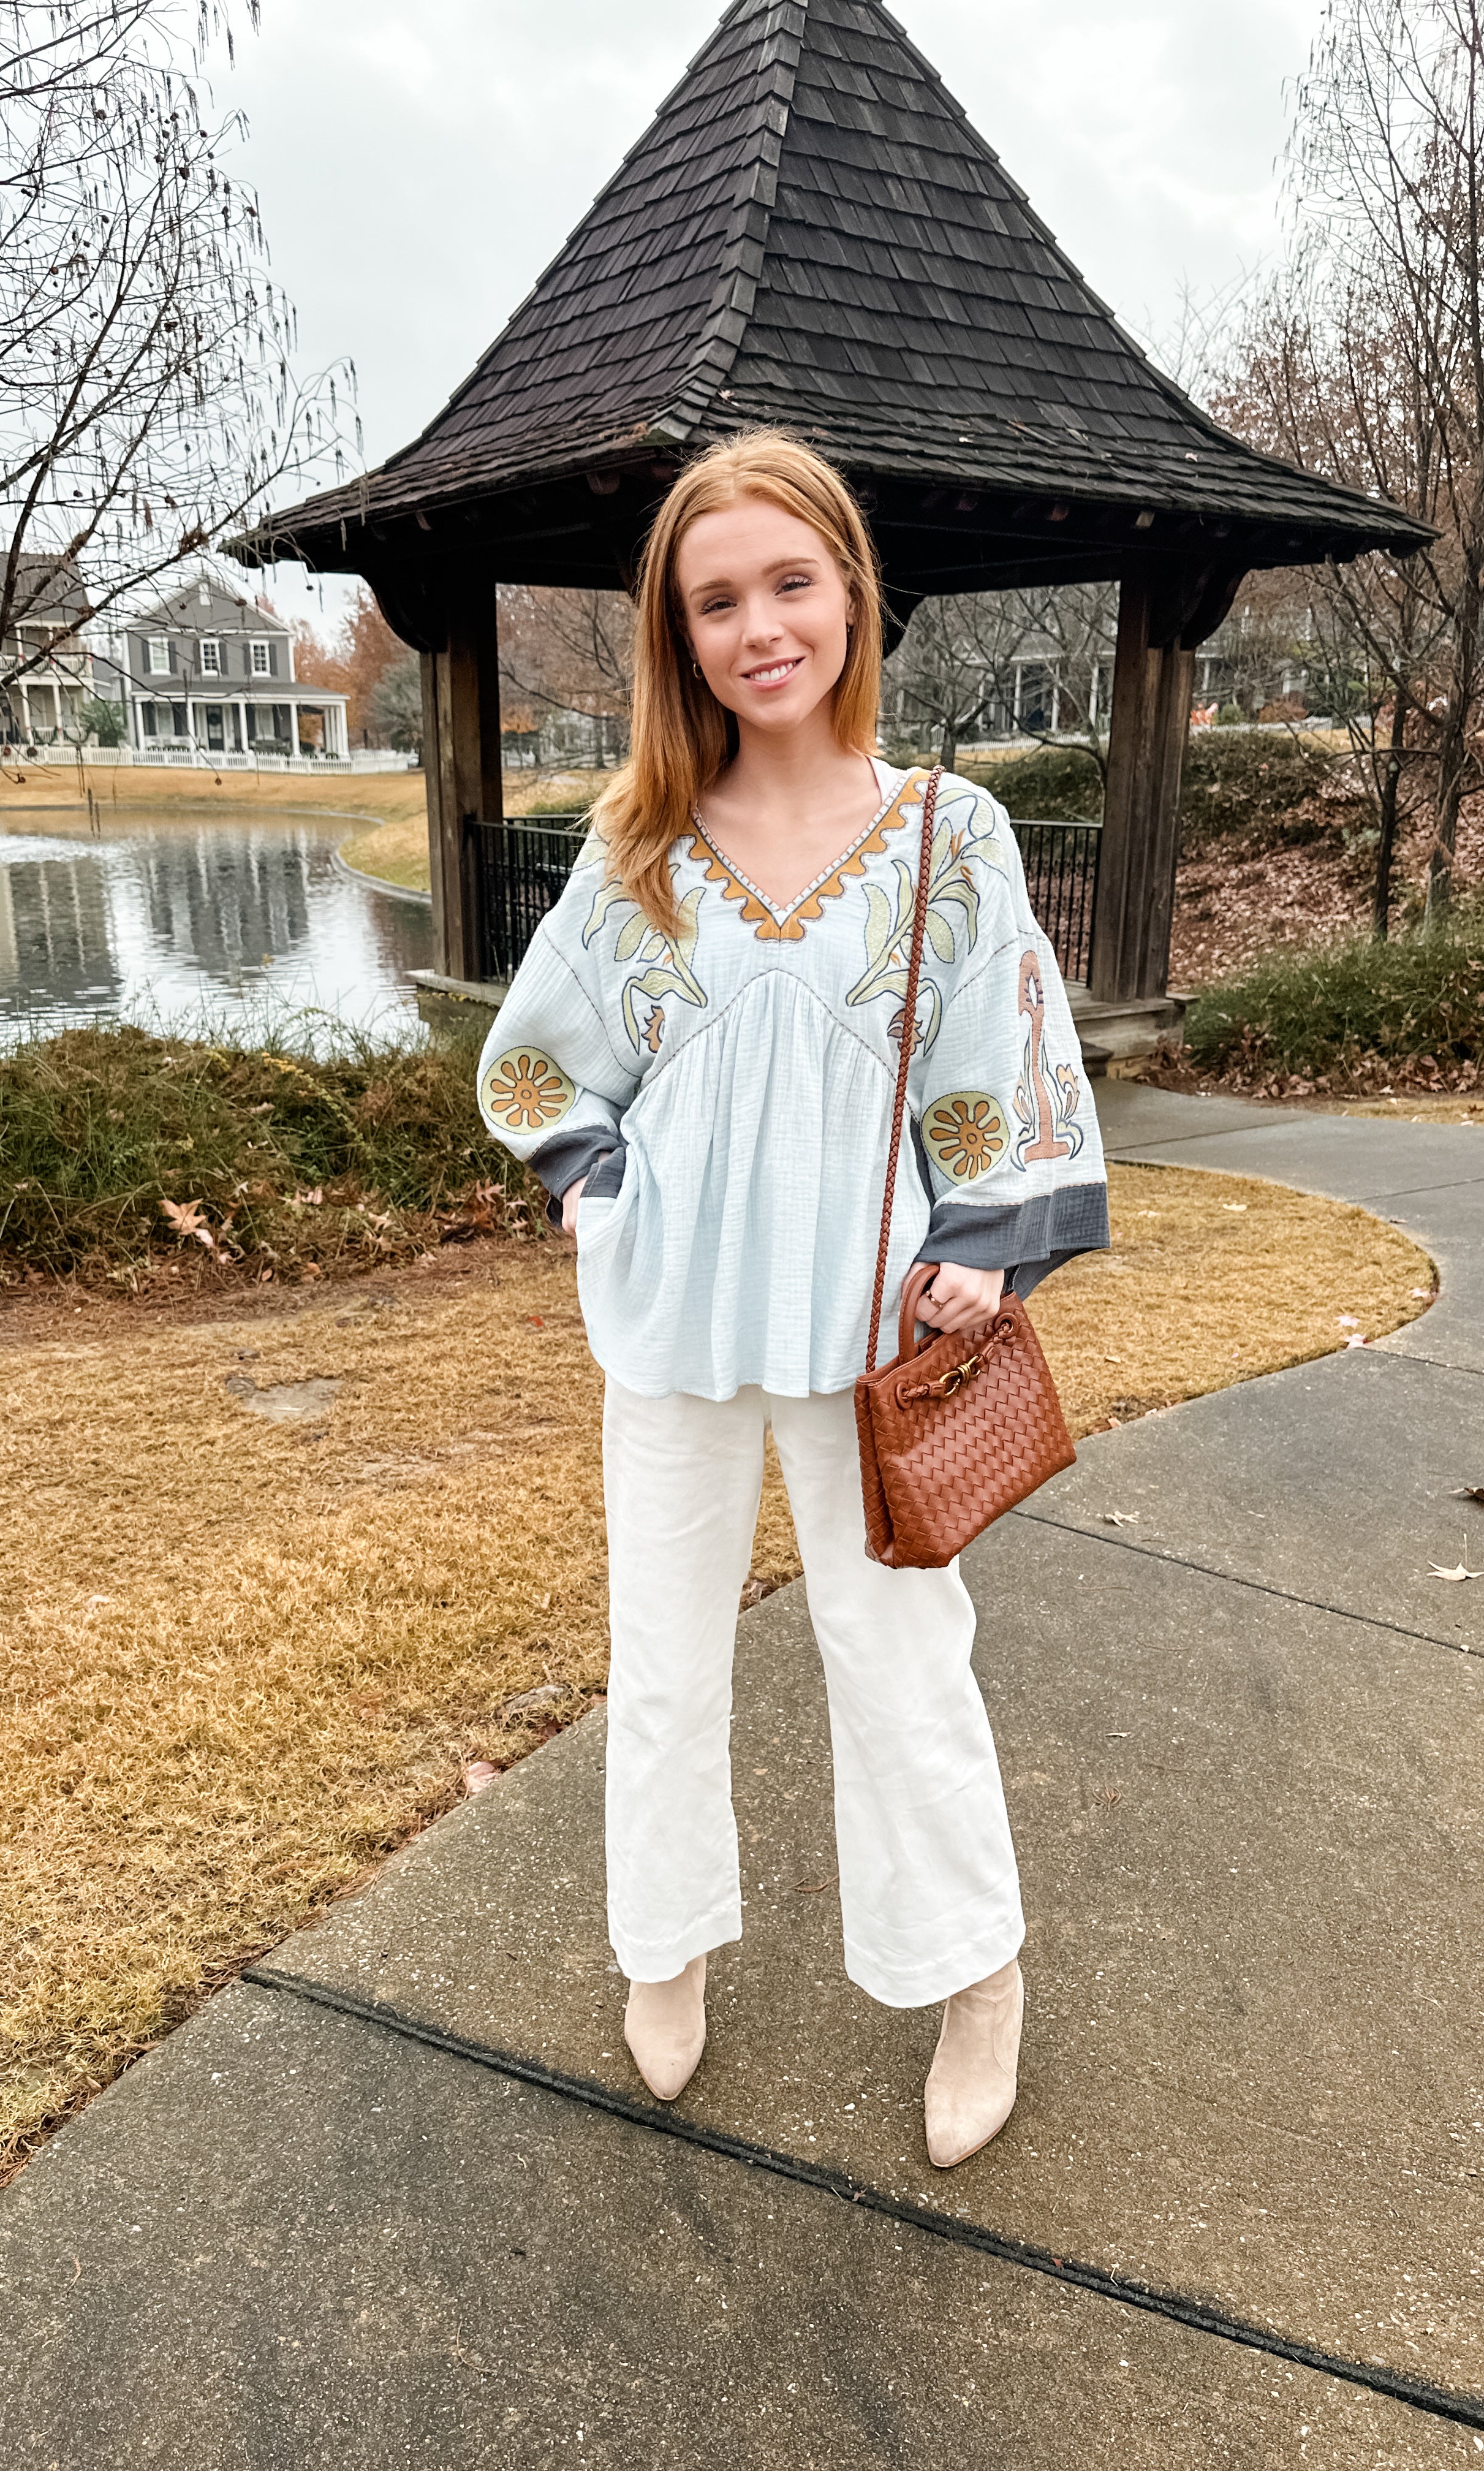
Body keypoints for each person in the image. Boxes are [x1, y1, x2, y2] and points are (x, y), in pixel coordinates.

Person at [477, 430, 1108, 2168]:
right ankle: (662, 1943)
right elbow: (539, 1067)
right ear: (677, 637)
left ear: (850, 590)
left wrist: (985, 1235)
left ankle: (975, 1976)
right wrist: (599, 1198)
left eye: (788, 583)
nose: (759, 626)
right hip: (674, 1329)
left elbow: (1005, 1063)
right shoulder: (641, 845)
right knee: (663, 1656)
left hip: (868, 1334)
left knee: (901, 1661)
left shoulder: (945, 838)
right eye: (715, 600)